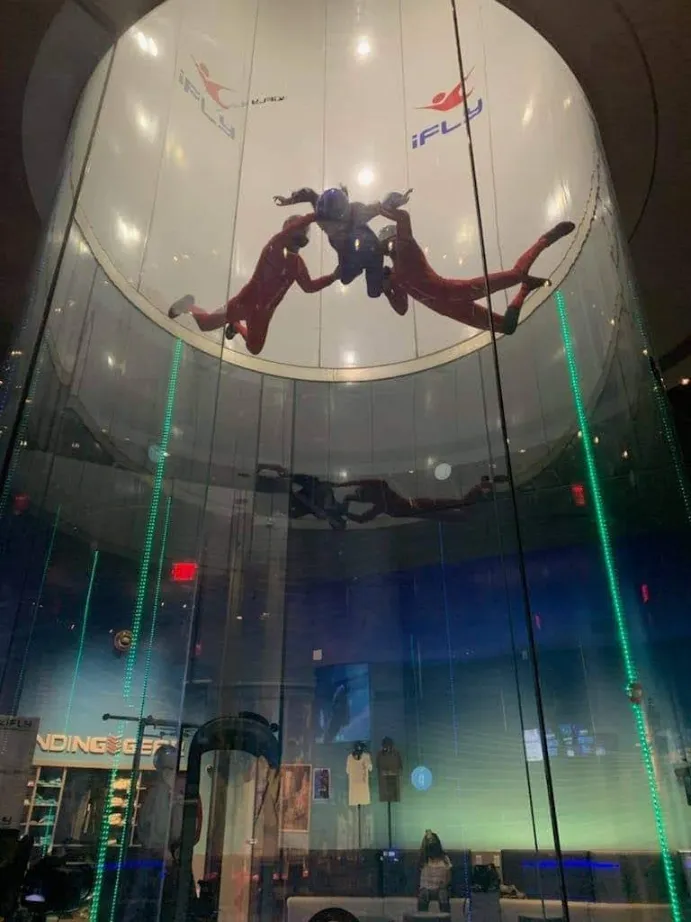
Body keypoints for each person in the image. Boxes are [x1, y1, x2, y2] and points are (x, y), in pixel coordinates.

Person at [378, 204, 575, 334]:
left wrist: (381, 208)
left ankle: (545, 240)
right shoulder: (395, 276)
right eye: (387, 244)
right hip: (452, 308)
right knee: (507, 327)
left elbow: (403, 218)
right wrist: (387, 290)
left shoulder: (407, 249)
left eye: (391, 241)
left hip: (454, 292)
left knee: (517, 274)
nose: (391, 246)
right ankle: (526, 288)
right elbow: (402, 309)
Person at [168, 214, 339, 355]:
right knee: (206, 325)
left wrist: (334, 276)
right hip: (246, 301)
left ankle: (235, 325)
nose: (301, 234)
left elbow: (309, 287)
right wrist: (319, 214)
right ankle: (189, 306)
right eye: (299, 229)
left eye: (304, 231)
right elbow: (293, 232)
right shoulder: (275, 245)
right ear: (289, 230)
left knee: (254, 348)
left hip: (262, 314)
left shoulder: (297, 263)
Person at [273, 185, 413, 298]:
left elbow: (381, 206)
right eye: (326, 224)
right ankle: (359, 270)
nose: (331, 229)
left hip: (371, 251)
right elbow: (308, 193)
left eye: (336, 225)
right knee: (344, 278)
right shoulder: (321, 210)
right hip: (348, 252)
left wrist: (399, 200)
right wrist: (288, 200)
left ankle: (386, 273)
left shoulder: (357, 212)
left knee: (374, 292)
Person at [341, 474, 509, 524]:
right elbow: (363, 519)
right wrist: (346, 509)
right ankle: (483, 487)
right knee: (459, 511)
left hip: (425, 506)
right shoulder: (381, 505)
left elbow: (372, 482)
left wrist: (343, 486)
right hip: (426, 510)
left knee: (459, 506)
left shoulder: (383, 493)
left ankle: (483, 487)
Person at [418, 829, 452, 913]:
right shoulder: (423, 859)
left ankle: (445, 918)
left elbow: (449, 876)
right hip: (426, 888)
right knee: (423, 895)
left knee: (443, 895)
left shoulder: (444, 858)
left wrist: (444, 884)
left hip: (440, 888)